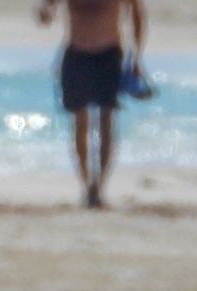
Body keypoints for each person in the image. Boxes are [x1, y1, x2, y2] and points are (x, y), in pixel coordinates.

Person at [37, 0, 145, 208]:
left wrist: (136, 57)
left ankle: (100, 186)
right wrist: (45, 13)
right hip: (76, 54)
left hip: (109, 55)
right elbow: (47, 7)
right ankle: (87, 185)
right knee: (80, 121)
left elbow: (137, 13)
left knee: (106, 120)